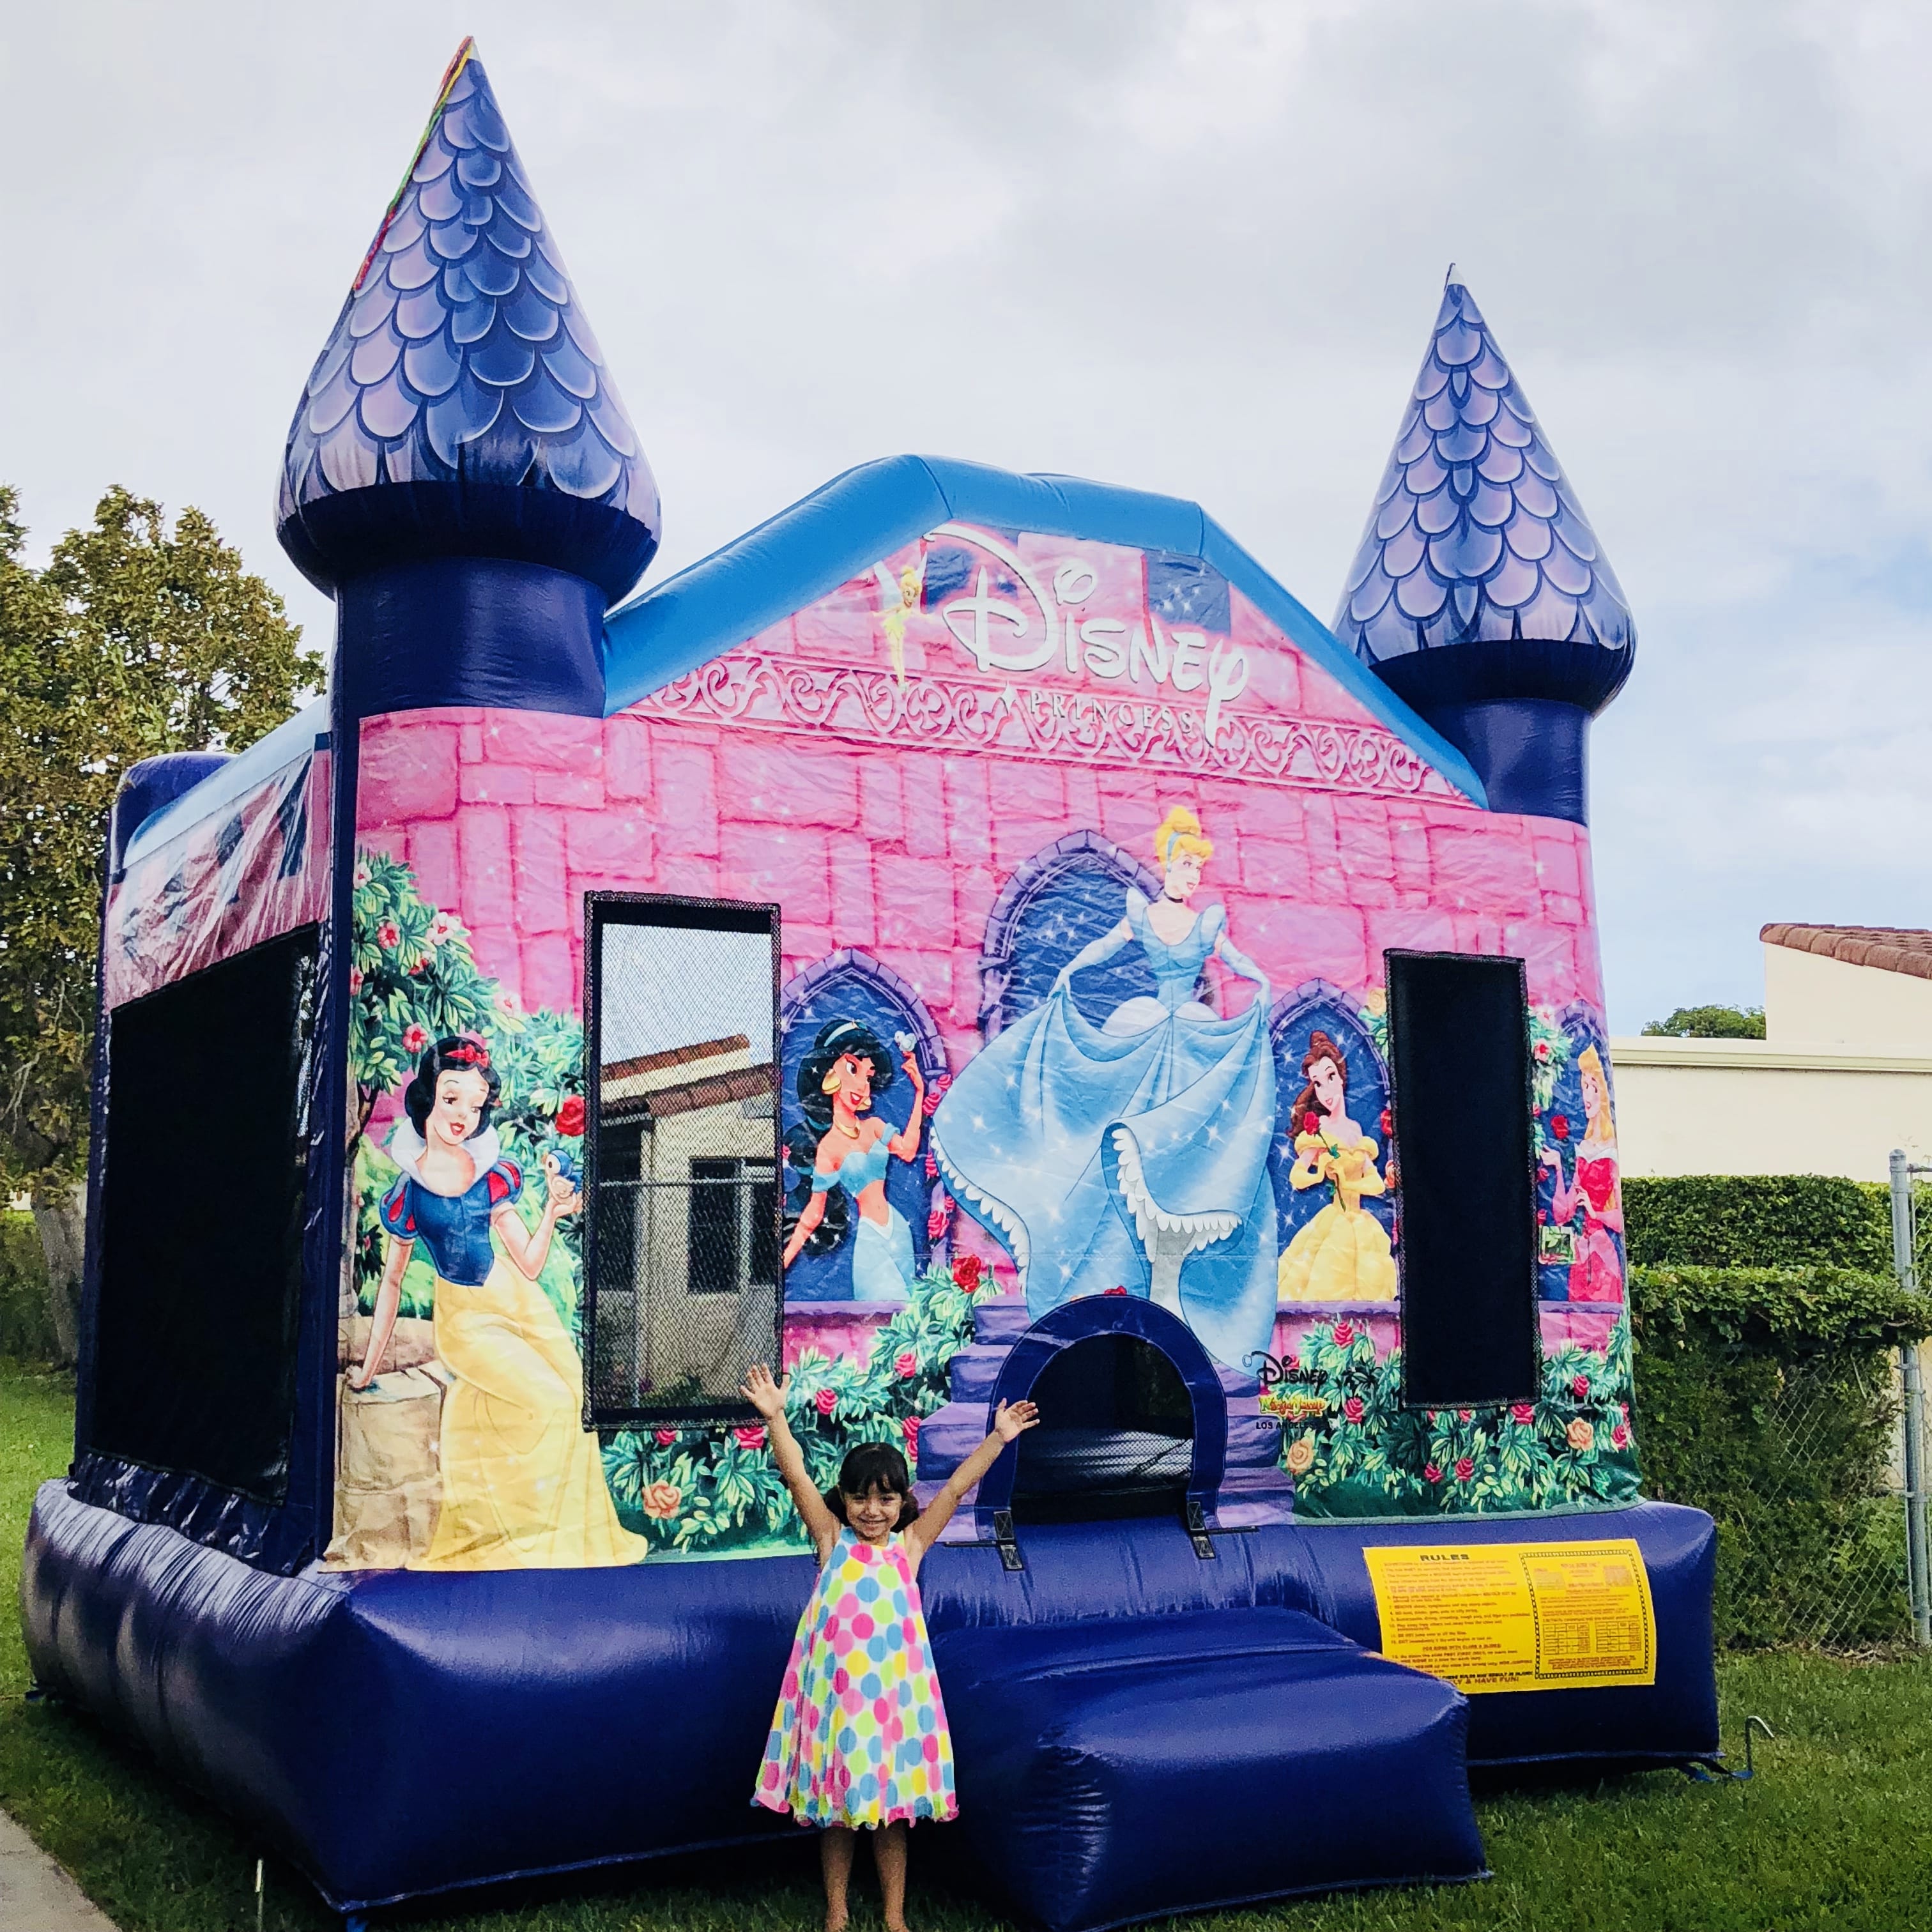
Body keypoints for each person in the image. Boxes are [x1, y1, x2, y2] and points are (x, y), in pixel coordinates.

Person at [931, 806, 1277, 1370]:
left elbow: (1233, 959)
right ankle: (1119, 1275)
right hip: (1144, 1032)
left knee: (1183, 1160)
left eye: (1197, 867)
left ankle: (1175, 1289)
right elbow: (1108, 948)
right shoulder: (1141, 913)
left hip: (1190, 1036)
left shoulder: (1206, 921)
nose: (1192, 876)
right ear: (1167, 862)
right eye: (1185, 864)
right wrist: (1071, 972)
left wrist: (1259, 979)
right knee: (1122, 1151)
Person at [742, 1362, 1038, 1932]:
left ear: (903, 1502)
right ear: (846, 1501)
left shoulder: (909, 1549)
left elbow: (955, 1488)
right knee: (836, 1814)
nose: (872, 1511)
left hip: (893, 1713)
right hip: (838, 1708)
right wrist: (776, 1417)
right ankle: (837, 1911)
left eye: (885, 1499)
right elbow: (798, 1476)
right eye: (860, 1498)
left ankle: (896, 1916)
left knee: (889, 1818)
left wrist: (998, 1439)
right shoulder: (832, 1541)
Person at [349, 1036, 647, 1569]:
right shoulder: (410, 1189)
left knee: (573, 1401)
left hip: (519, 1303)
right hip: (466, 1322)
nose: (463, 1113)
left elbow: (529, 1264)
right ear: (428, 1098)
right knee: (551, 1404)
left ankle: (557, 1535)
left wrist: (554, 1212)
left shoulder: (493, 1176)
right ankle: (527, 1537)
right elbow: (391, 1285)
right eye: (452, 1097)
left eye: (476, 1101)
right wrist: (367, 1368)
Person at [783, 1018, 928, 1301]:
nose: (862, 1084)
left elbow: (909, 1150)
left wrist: (920, 1091)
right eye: (852, 1068)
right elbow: (814, 1213)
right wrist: (785, 1258)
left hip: (898, 1231)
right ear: (829, 1077)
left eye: (868, 1076)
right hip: (872, 1239)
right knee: (885, 1309)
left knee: (911, 1312)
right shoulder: (828, 1148)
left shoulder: (875, 1126)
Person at [1275, 1030, 1398, 1303]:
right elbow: (1297, 1176)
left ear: (1341, 1077)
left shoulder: (1355, 1131)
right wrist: (1319, 1172)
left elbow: (1376, 1182)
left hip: (1360, 1220)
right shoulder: (1320, 1132)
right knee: (1329, 1275)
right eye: (1318, 1083)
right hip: (1335, 1219)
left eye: (1330, 1077)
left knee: (1368, 1281)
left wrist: (1348, 1181)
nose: (1326, 1090)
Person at [1542, 1044, 1625, 1302]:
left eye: (1593, 1087)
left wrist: (1594, 1211)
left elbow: (1617, 1220)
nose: (1587, 1095)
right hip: (1580, 1256)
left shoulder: (1609, 1150)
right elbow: (1563, 1212)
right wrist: (1556, 1168)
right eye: (1584, 1087)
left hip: (1602, 1254)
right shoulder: (1583, 1148)